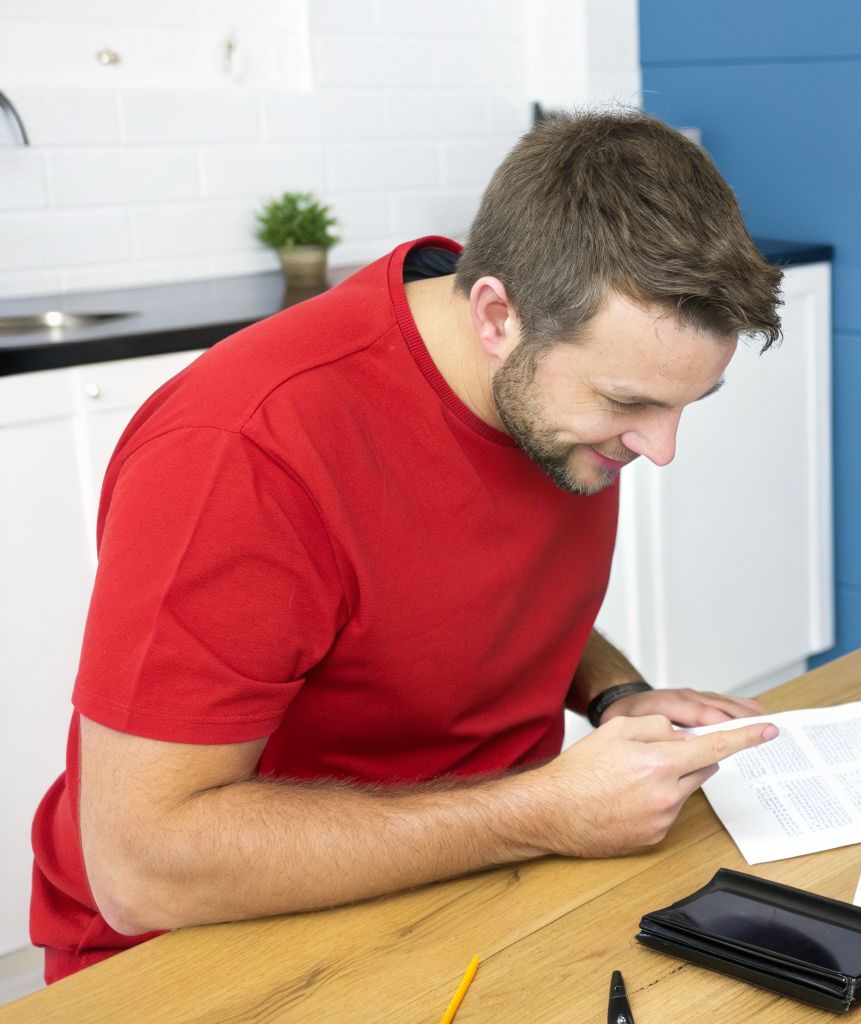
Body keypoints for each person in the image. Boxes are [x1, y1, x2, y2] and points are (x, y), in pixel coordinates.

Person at [29, 110, 785, 983]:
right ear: (498, 315)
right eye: (627, 403)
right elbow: (141, 867)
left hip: (480, 880)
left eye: (690, 402)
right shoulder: (241, 450)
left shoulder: (545, 399)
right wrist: (540, 810)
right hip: (202, 949)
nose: (661, 448)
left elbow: (459, 591)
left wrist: (615, 693)